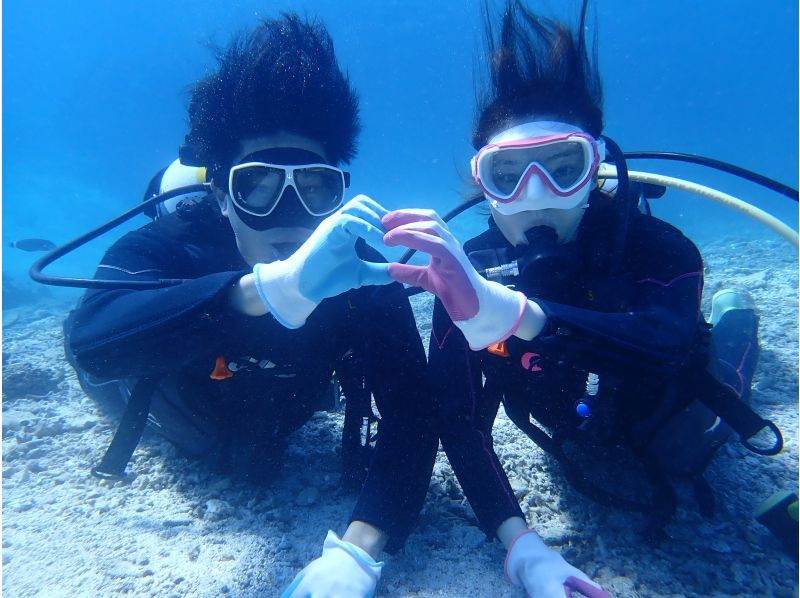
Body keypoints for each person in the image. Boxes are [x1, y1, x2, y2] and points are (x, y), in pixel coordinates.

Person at [381, 1, 771, 596]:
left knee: (685, 449)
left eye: (563, 168)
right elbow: (457, 418)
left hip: (656, 407)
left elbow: (665, 347)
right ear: (484, 187)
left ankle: (736, 314)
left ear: (595, 171)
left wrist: (518, 315)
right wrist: (523, 549)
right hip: (570, 422)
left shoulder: (656, 249)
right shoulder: (468, 275)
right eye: (508, 175)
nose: (536, 198)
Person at [65, 13, 437, 597]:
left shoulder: (359, 269)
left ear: (337, 190)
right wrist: (260, 292)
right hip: (180, 400)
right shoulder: (172, 244)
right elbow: (91, 347)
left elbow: (415, 412)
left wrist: (359, 552)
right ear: (219, 192)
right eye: (258, 185)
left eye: (313, 187)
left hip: (279, 404)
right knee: (200, 440)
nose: (289, 212)